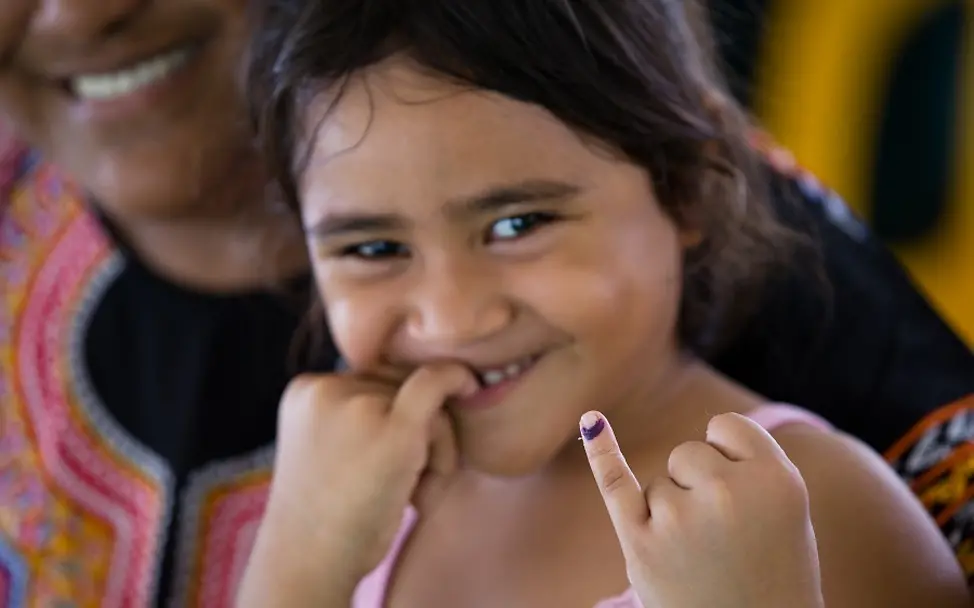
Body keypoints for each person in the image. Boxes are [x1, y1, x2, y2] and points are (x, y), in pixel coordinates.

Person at [0, 0, 971, 606]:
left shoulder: (811, 509)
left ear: (686, 190)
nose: (449, 315)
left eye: (516, 224)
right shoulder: (380, 508)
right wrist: (299, 566)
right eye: (372, 247)